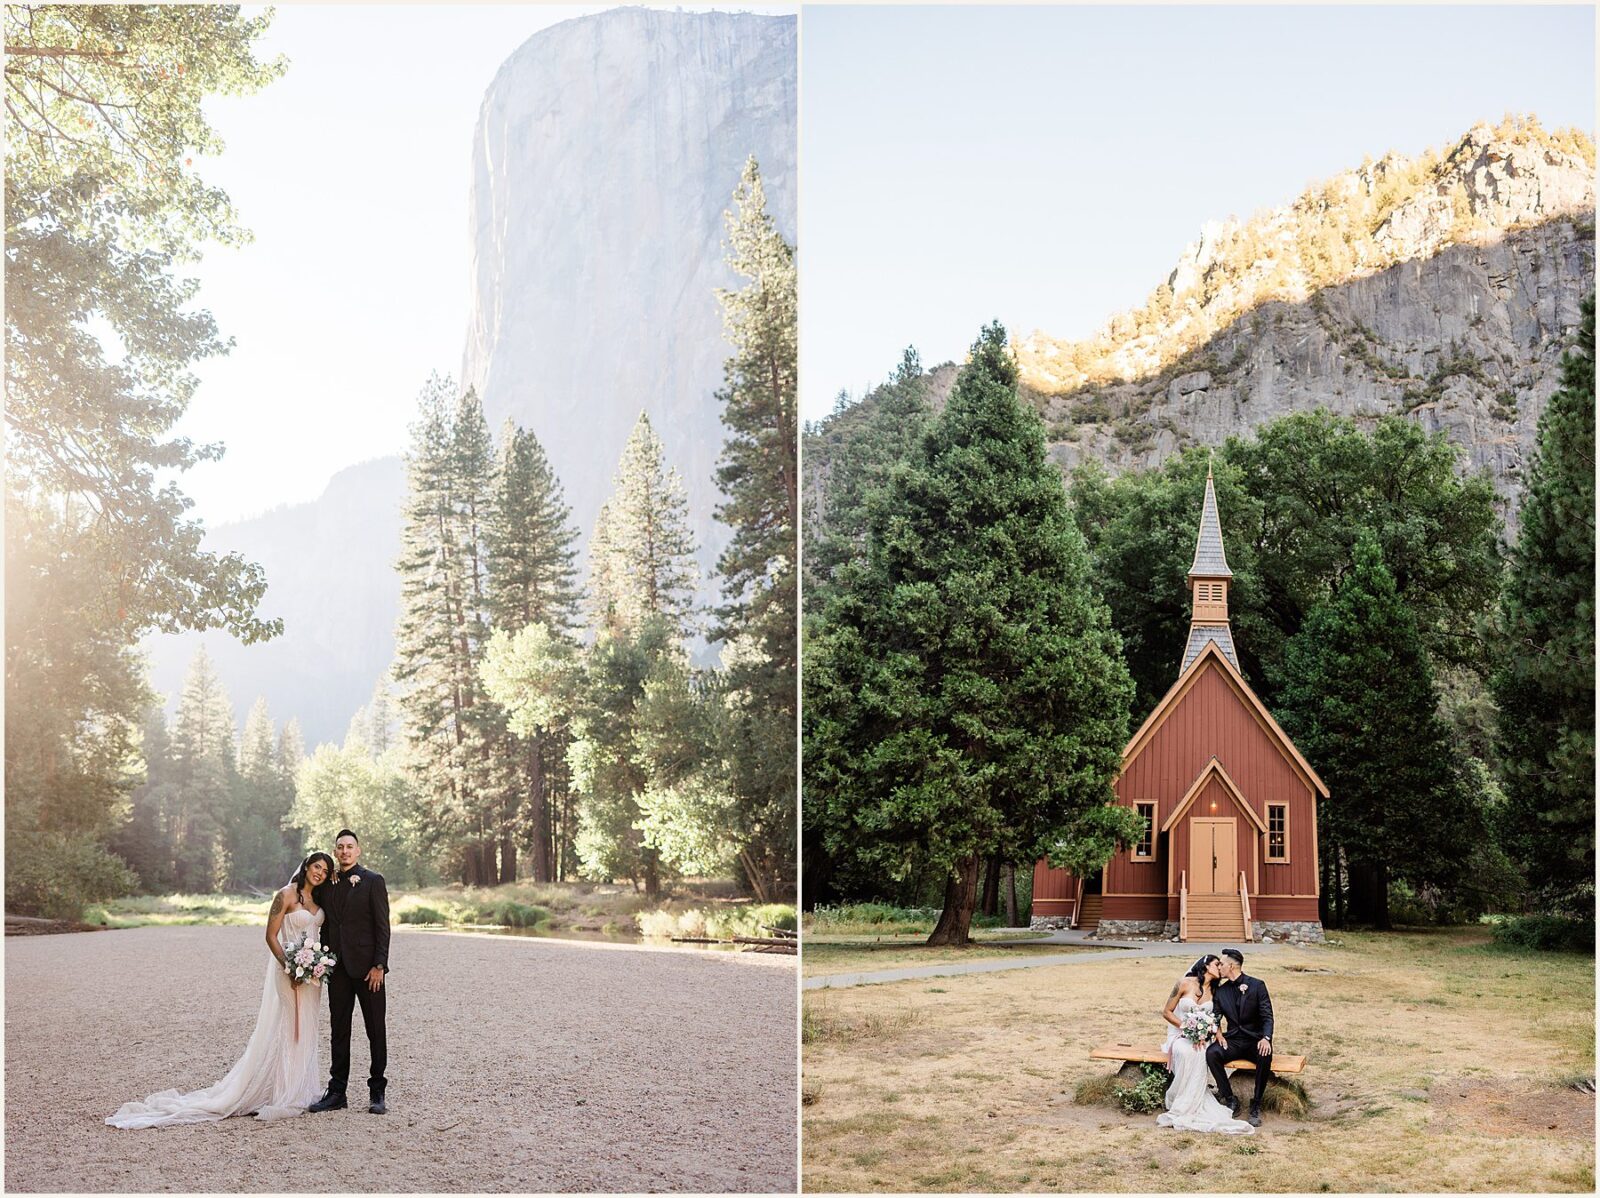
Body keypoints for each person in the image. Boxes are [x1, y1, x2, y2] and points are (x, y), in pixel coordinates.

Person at [107, 853, 335, 1128]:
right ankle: (282, 1092)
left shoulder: (319, 900)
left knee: (307, 1028)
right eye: (316, 867)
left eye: (325, 869)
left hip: (311, 976)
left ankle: (299, 1088)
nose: (319, 873)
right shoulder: (285, 895)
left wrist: (314, 965)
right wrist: (289, 965)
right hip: (287, 971)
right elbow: (270, 936)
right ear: (307, 867)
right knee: (287, 1027)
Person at [309, 828, 391, 1115]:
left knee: (375, 1030)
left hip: (369, 970)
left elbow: (383, 927)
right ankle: (337, 1092)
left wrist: (380, 965)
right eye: (340, 847)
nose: (344, 851)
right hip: (337, 969)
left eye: (349, 847)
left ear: (358, 851)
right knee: (339, 1030)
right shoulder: (327, 885)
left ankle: (377, 1091)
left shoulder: (373, 881)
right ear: (335, 852)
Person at [1154, 953, 1255, 1135]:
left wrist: (1217, 1034)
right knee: (1186, 1052)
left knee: (1201, 1053)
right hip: (1180, 1034)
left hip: (1202, 1036)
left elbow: (1214, 1017)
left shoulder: (1216, 991)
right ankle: (1182, 1099)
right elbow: (1167, 1012)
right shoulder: (1183, 983)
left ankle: (1195, 1100)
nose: (1221, 967)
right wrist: (1185, 1028)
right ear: (1207, 966)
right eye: (1218, 964)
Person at [1207, 947, 1275, 1126]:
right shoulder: (1221, 991)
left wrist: (1266, 1038)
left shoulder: (1257, 985)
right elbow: (1215, 1016)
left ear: (1231, 966)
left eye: (1221, 964)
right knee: (1212, 1053)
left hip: (1255, 1040)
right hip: (1233, 1040)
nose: (1219, 966)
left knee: (1265, 1054)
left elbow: (1267, 1016)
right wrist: (1218, 1033)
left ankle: (1256, 1104)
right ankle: (1229, 1098)